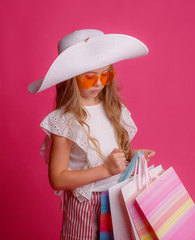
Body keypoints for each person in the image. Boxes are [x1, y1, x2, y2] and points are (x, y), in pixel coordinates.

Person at [28, 29, 155, 240]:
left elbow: (110, 152)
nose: (98, 83)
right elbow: (57, 178)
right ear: (70, 79)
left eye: (105, 75)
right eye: (89, 78)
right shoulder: (65, 120)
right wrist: (106, 169)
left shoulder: (115, 110)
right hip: (84, 204)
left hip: (117, 197)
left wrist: (130, 155)